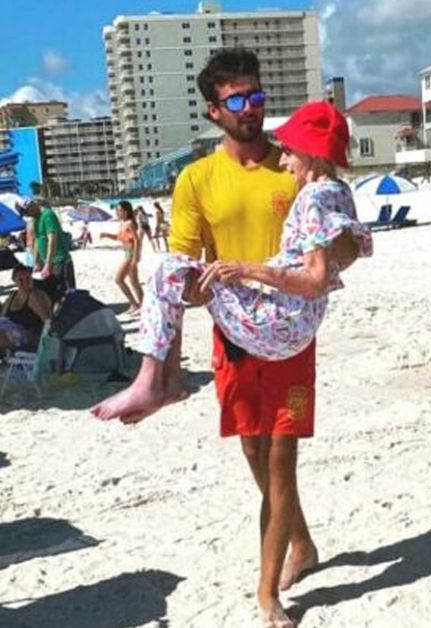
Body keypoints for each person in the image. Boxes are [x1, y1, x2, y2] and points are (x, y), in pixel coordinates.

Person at [127, 47, 319, 628]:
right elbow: (184, 270)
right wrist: (195, 289)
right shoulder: (196, 179)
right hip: (233, 335)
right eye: (239, 99)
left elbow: (330, 240)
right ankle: (302, 542)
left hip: (290, 338)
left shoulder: (293, 167)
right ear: (214, 111)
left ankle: (269, 593)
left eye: (257, 96)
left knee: (282, 455)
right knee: (255, 450)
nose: (252, 108)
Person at [91, 101, 370, 424]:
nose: (283, 161)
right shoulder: (340, 192)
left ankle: (153, 382)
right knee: (183, 278)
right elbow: (346, 257)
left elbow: (317, 280)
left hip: (277, 323)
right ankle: (167, 380)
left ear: (313, 153)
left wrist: (247, 269)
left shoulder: (312, 197)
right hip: (297, 324)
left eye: (289, 152)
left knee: (167, 272)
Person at [23, 201, 75, 303]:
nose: (27, 215)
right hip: (48, 260)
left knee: (66, 292)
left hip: (59, 259)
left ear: (31, 206)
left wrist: (48, 263)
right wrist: (37, 262)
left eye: (26, 212)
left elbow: (52, 239)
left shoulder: (47, 215)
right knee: (53, 292)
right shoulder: (35, 220)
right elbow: (38, 240)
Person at [99, 201, 145, 317]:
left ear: (126, 211)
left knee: (119, 279)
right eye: (117, 210)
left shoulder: (129, 223)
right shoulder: (123, 223)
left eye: (119, 210)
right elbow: (119, 237)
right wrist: (106, 235)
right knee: (134, 282)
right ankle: (142, 305)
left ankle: (135, 304)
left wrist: (135, 257)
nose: (117, 212)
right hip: (126, 253)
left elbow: (136, 240)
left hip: (130, 255)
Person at [0, 265, 53, 351]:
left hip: (26, 335)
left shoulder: (35, 297)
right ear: (14, 281)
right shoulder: (12, 296)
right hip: (8, 330)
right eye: (20, 280)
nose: (25, 282)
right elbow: (3, 316)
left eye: (28, 278)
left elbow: (48, 322)